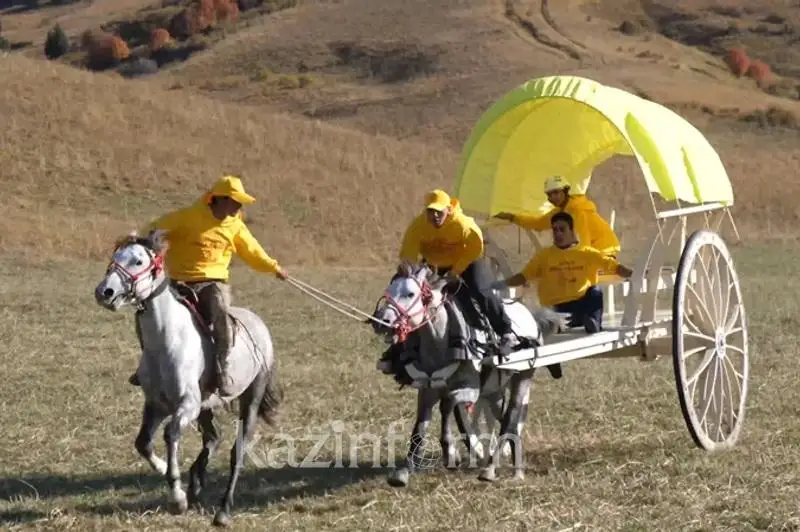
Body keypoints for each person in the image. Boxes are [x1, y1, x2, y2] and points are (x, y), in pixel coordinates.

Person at [126, 175, 288, 396]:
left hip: (212, 283)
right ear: (219, 199)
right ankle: (148, 363)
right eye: (234, 200)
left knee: (221, 318)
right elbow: (156, 228)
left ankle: (221, 369)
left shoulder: (235, 226)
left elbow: (253, 252)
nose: (239, 206)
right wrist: (138, 238)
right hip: (178, 281)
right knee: (146, 314)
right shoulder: (187, 217)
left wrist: (274, 268)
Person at [398, 188, 517, 352]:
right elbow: (409, 250)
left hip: (467, 261)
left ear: (448, 209)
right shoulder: (419, 226)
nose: (435, 216)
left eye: (439, 211)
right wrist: (408, 268)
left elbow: (475, 248)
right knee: (411, 292)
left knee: (481, 290)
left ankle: (506, 332)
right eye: (431, 211)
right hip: (437, 265)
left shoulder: (462, 224)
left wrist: (455, 273)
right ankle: (401, 340)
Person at [491, 211, 633, 334]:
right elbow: (523, 277)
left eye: (562, 229)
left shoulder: (586, 253)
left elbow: (613, 266)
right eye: (555, 230)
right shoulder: (544, 256)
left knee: (595, 291)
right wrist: (498, 285)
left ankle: (593, 324)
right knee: (546, 318)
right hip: (556, 310)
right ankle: (557, 326)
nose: (558, 233)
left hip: (580, 306)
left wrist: (633, 274)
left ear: (572, 231)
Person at [493, 175, 621, 257]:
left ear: (565, 191)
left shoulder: (578, 211)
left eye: (556, 193)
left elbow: (583, 245)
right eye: (549, 195)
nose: (552, 198)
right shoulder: (561, 211)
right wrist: (512, 217)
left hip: (605, 254)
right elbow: (538, 223)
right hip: (592, 254)